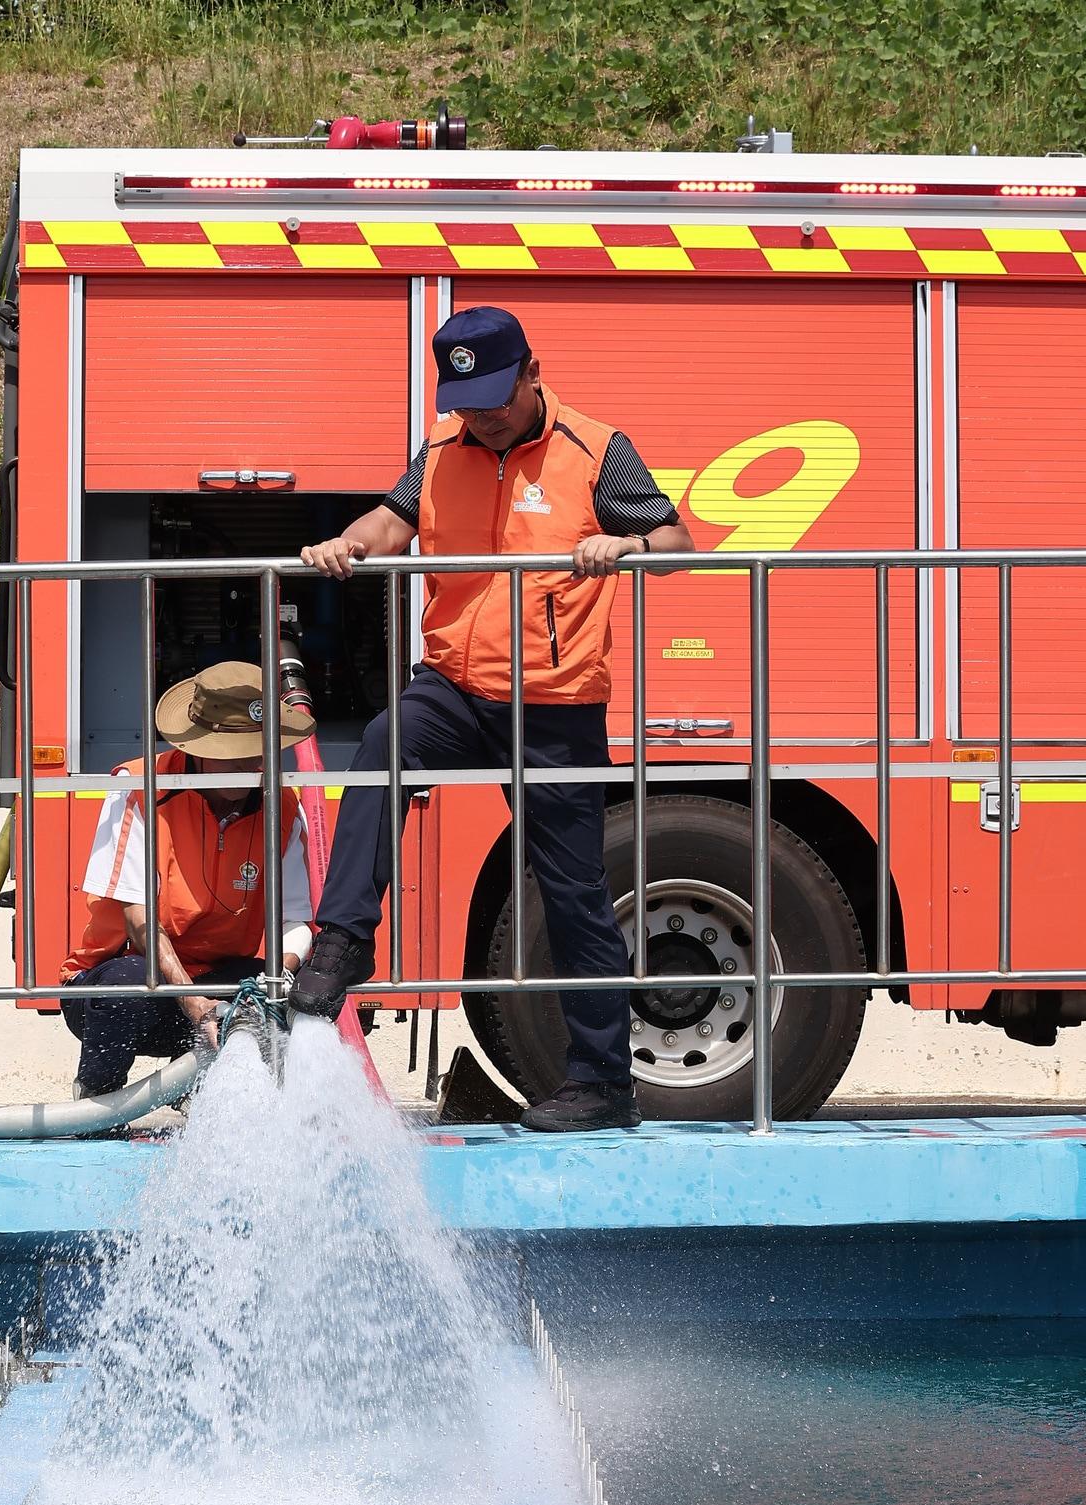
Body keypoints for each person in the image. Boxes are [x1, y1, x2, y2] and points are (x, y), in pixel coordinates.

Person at [288, 305, 695, 1131]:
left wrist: (626, 546)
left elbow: (678, 539)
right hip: (454, 683)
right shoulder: (443, 447)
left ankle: (603, 1082)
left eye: (496, 400)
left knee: (574, 890)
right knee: (383, 742)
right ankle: (342, 940)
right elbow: (392, 519)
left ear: (533, 373)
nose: (481, 416)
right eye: (466, 400)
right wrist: (348, 542)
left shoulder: (595, 450)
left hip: (554, 703)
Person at [61, 662, 315, 1097]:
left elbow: (295, 919)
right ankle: (97, 1107)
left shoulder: (285, 808)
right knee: (127, 983)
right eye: (231, 751)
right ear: (195, 745)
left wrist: (276, 981)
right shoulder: (140, 788)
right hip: (121, 981)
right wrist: (195, 1004)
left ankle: (204, 1106)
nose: (246, 764)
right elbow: (138, 921)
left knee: (275, 995)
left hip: (215, 978)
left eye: (256, 751)